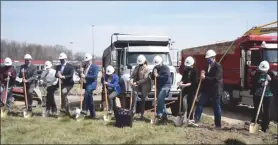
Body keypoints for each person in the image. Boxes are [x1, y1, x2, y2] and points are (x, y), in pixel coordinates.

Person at [194, 49, 223, 130]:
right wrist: (202, 75)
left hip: (215, 90)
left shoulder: (218, 66)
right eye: (207, 59)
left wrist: (205, 77)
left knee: (216, 107)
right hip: (207, 89)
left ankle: (218, 125)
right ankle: (196, 120)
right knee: (200, 103)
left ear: (213, 58)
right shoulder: (206, 66)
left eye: (209, 58)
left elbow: (216, 79)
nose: (208, 60)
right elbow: (205, 78)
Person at [250, 60, 274, 133]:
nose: (263, 72)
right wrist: (261, 83)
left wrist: (270, 80)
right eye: (262, 70)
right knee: (257, 110)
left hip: (268, 95)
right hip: (258, 95)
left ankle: (264, 127)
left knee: (266, 111)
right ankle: (254, 123)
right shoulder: (257, 74)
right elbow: (254, 82)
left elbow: (275, 82)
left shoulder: (271, 74)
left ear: (268, 69)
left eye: (265, 70)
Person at [130, 55, 152, 120]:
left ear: (144, 62)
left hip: (145, 85)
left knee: (143, 99)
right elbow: (133, 75)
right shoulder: (137, 67)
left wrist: (136, 83)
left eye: (141, 64)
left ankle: (142, 115)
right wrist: (131, 80)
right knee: (134, 94)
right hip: (137, 84)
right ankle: (133, 112)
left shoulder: (147, 69)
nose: (140, 65)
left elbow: (145, 79)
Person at [150, 55, 172, 120]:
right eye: (155, 65)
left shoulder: (165, 68)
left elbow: (166, 77)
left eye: (157, 65)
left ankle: (164, 114)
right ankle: (160, 114)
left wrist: (158, 76)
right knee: (160, 100)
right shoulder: (155, 68)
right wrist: (153, 74)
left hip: (166, 85)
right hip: (159, 86)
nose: (156, 66)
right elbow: (152, 78)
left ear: (161, 63)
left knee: (160, 98)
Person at [54, 52, 75, 117]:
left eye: (62, 59)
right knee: (63, 96)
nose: (61, 61)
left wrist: (62, 76)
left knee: (63, 93)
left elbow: (70, 75)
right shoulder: (58, 67)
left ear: (65, 59)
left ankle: (63, 109)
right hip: (62, 83)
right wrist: (58, 75)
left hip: (69, 84)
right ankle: (66, 110)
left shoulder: (70, 66)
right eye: (60, 60)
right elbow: (56, 75)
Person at [79, 53, 99, 118]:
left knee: (86, 94)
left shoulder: (95, 67)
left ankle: (85, 109)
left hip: (92, 84)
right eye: (86, 61)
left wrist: (85, 76)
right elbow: (81, 75)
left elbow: (94, 76)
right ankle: (93, 114)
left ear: (91, 60)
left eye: (88, 61)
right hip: (86, 84)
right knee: (90, 98)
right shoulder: (84, 67)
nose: (86, 62)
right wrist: (80, 72)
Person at [178, 56, 198, 120]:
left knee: (190, 103)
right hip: (185, 88)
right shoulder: (185, 70)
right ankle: (180, 114)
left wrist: (185, 85)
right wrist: (181, 82)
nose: (187, 67)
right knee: (180, 100)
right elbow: (183, 78)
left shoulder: (195, 71)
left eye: (188, 65)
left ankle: (190, 118)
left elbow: (194, 82)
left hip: (192, 89)